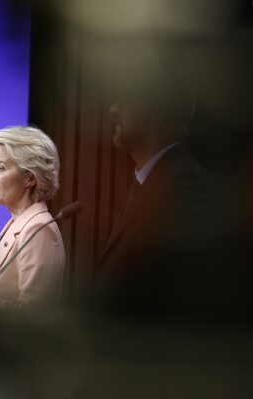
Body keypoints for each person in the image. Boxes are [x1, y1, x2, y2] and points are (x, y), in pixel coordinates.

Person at [92, 43, 222, 318]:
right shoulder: (150, 177)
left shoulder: (186, 187)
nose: (114, 109)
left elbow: (178, 306)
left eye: (125, 100)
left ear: (157, 115)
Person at [0, 125, 65, 307]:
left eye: (0, 168)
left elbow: (33, 315)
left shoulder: (39, 230)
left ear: (30, 178)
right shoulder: (18, 223)